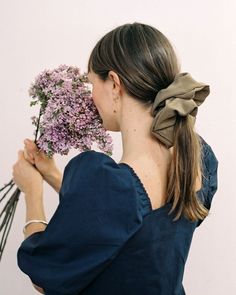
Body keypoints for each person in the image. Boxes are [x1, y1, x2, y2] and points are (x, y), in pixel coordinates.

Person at [12, 22, 218, 295]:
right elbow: (126, 225)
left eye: (91, 83)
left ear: (114, 83)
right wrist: (51, 175)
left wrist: (33, 192)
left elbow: (45, 277)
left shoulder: (107, 183)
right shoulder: (197, 157)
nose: (90, 96)